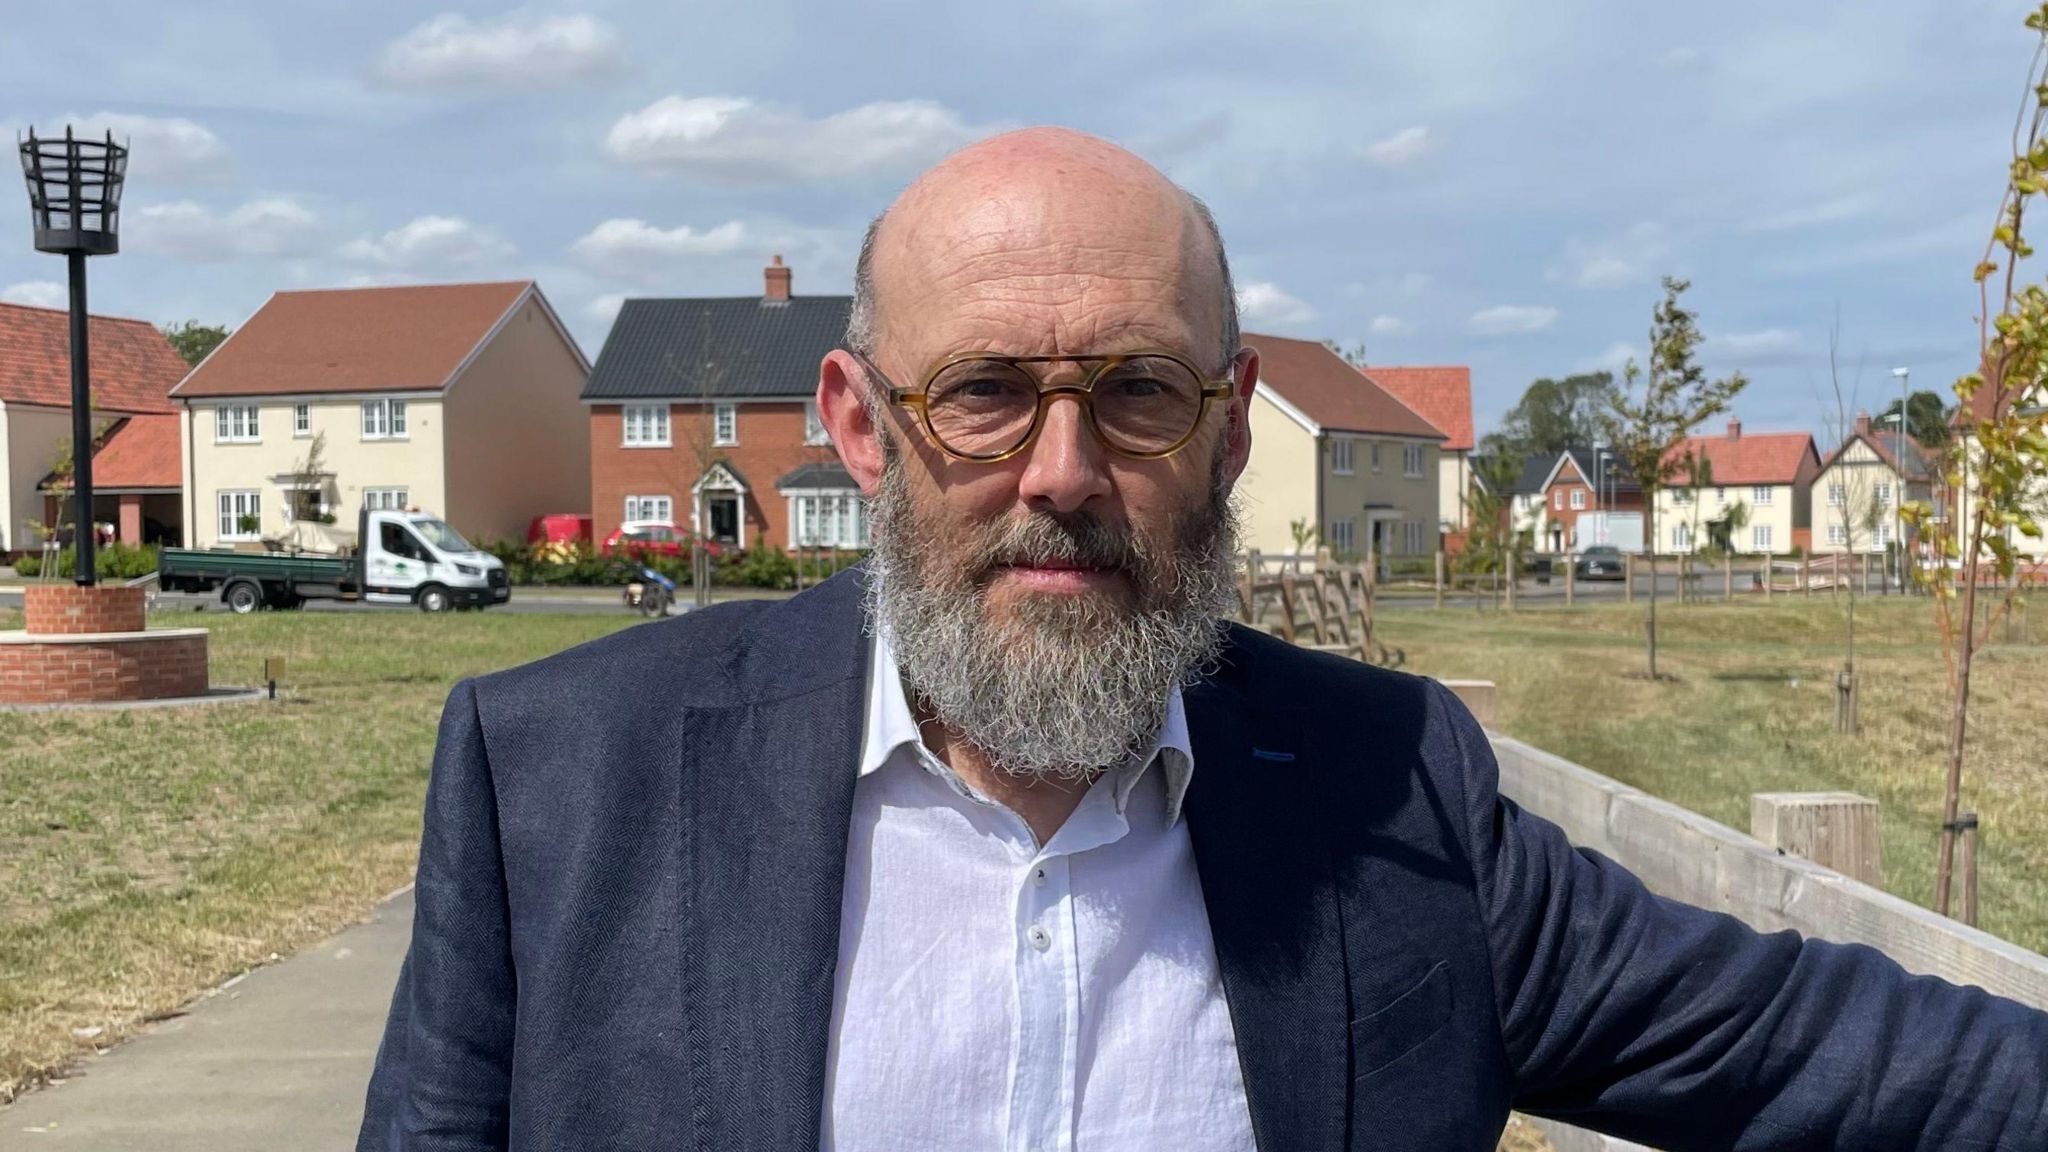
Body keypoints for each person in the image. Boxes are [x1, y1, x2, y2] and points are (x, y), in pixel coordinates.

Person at [358, 129, 2047, 1151]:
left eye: (1138, 394)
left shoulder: (1392, 799)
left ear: (1233, 432)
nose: (1066, 472)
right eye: (986, 395)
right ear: (861, 429)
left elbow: (1830, 1058)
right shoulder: (557, 789)